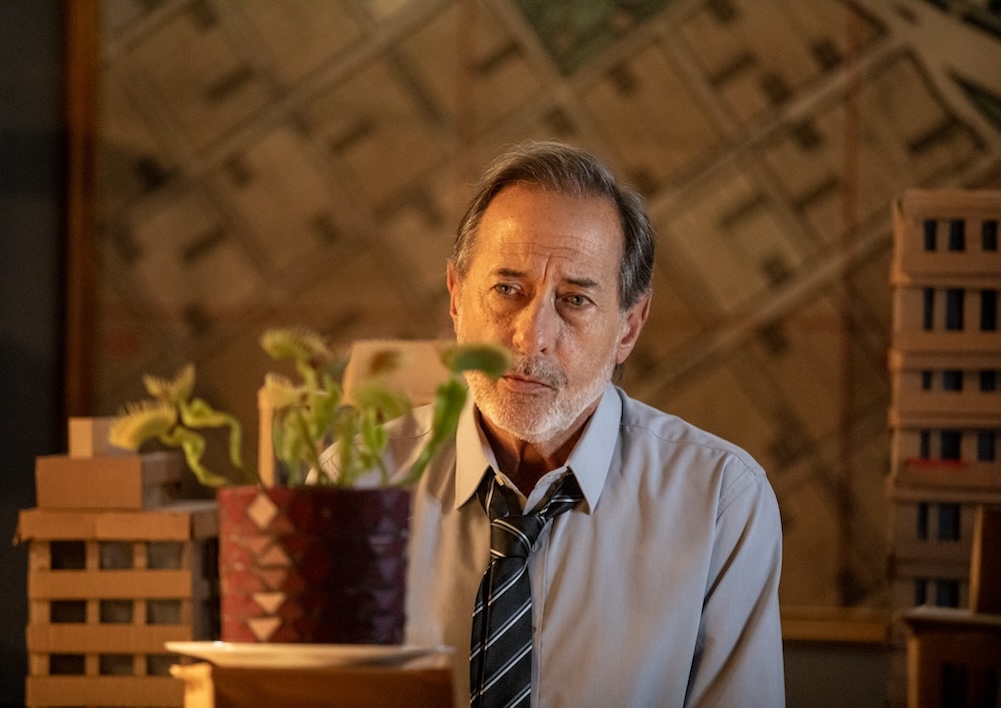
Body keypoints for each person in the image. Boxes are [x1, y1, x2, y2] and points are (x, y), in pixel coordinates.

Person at [335, 141, 784, 707]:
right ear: (456, 298)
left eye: (574, 300)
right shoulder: (355, 482)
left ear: (628, 327)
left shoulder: (721, 501)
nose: (531, 336)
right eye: (506, 290)